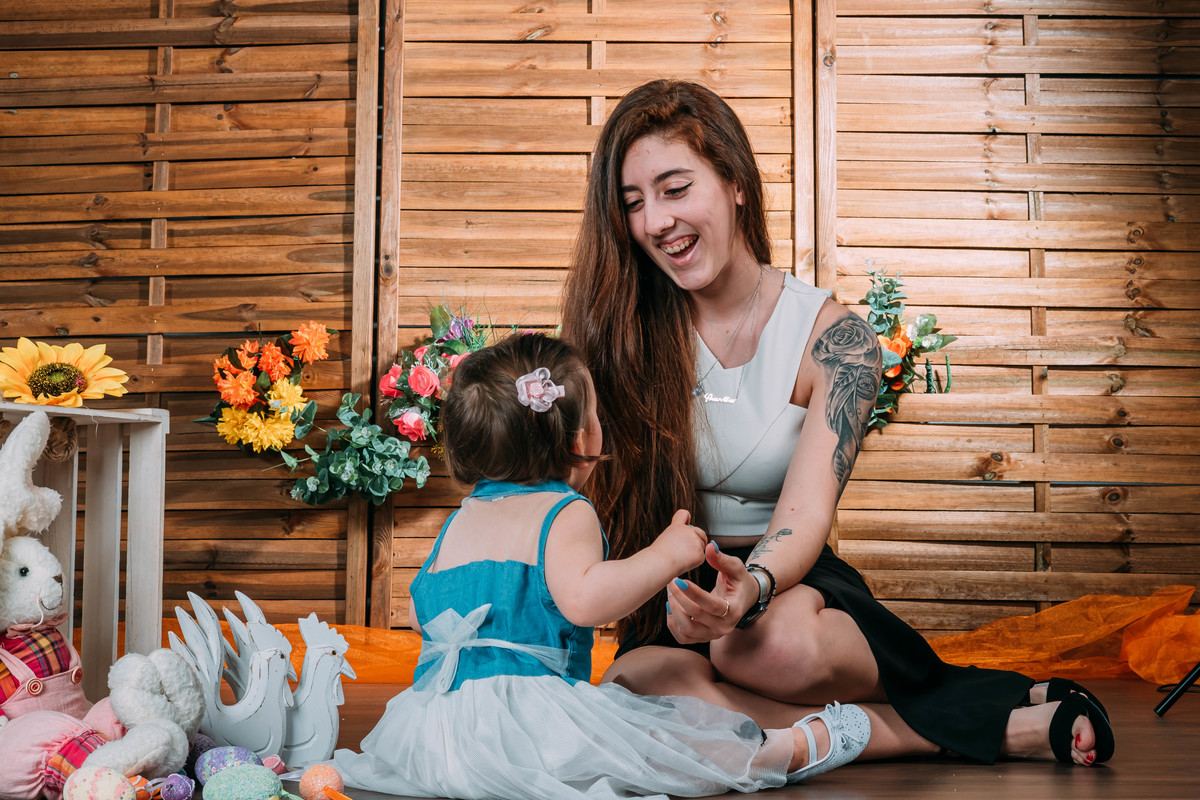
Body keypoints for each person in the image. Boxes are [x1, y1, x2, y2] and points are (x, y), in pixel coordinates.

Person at [560, 78, 1115, 768]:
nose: (655, 222)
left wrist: (747, 590)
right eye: (633, 202)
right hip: (674, 592)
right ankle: (972, 725)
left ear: (735, 183)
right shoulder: (621, 331)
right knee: (635, 693)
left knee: (759, 649)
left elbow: (804, 514)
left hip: (789, 586)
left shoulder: (838, 340)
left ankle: (917, 711)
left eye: (675, 189)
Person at [328, 332, 872, 799]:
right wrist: (665, 555)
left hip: (436, 731)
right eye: (594, 412)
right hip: (528, 723)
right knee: (654, 747)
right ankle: (790, 748)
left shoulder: (461, 518)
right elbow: (585, 600)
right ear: (580, 437)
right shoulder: (564, 511)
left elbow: (423, 614)